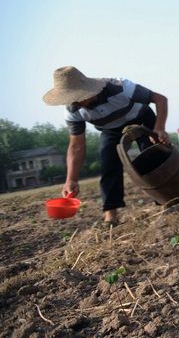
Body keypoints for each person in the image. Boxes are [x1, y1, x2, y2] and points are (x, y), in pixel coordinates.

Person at [42, 66, 170, 225]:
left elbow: (160, 99)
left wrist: (159, 129)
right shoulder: (73, 109)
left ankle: (165, 202)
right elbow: (76, 146)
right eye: (71, 99)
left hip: (141, 118)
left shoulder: (120, 87)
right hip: (110, 129)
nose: (76, 103)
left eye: (78, 97)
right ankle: (111, 214)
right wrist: (71, 179)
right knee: (108, 163)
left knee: (151, 156)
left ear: (88, 90)